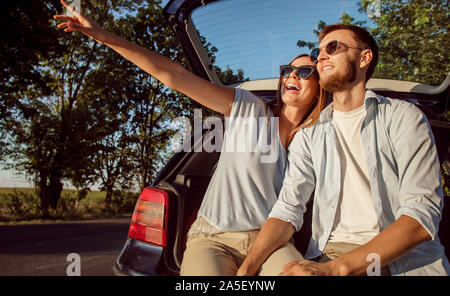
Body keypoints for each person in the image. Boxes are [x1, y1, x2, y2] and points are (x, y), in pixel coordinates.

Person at [54, 0, 328, 275]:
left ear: (319, 86)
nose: (292, 74)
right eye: (287, 70)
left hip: (273, 243)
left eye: (305, 71)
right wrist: (102, 34)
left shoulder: (317, 138)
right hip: (214, 238)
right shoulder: (249, 109)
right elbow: (175, 75)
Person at [237, 24, 450, 276]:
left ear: (364, 57)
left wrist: (333, 270)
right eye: (319, 53)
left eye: (333, 47)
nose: (322, 56)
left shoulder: (404, 117)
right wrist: (245, 272)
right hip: (330, 253)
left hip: (403, 261)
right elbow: (288, 208)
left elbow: (420, 216)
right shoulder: (309, 134)